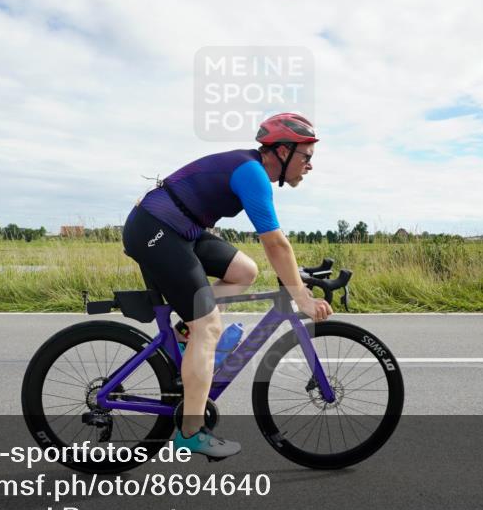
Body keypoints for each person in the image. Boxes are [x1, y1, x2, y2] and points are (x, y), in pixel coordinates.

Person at [121, 113, 333, 460]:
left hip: (182, 230)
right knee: (208, 327)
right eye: (306, 156)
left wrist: (296, 281)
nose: (309, 165)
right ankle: (191, 433)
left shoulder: (251, 170)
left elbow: (276, 247)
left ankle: (184, 334)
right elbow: (275, 243)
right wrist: (301, 297)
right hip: (155, 229)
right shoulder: (252, 173)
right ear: (283, 151)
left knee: (244, 271)